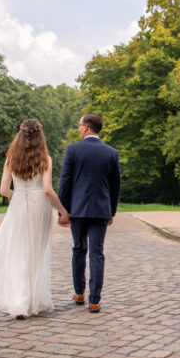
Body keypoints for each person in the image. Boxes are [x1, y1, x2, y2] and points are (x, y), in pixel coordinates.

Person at [0, 118, 69, 319]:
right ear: (40, 136)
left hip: (18, 206)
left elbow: (3, 190)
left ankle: (20, 302)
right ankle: (33, 301)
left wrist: (18, 195)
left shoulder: (10, 158)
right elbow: (47, 190)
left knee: (19, 251)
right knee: (36, 253)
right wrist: (63, 211)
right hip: (39, 207)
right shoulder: (45, 158)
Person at [58, 113, 121, 313]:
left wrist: (63, 211)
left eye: (79, 125)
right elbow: (115, 186)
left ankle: (80, 293)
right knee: (97, 253)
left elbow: (65, 182)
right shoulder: (111, 153)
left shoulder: (73, 150)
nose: (78, 128)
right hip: (101, 210)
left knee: (78, 249)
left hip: (77, 210)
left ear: (86, 127)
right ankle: (95, 300)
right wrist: (111, 211)